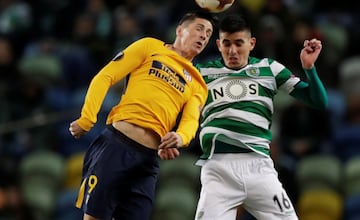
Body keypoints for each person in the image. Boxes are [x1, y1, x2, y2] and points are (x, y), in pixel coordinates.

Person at [68, 11, 217, 220]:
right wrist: (87, 118)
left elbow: (191, 121)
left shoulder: (198, 83)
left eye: (208, 33)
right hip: (117, 146)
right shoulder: (150, 47)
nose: (203, 36)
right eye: (199, 29)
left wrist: (180, 138)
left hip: (147, 162)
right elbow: (106, 76)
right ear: (180, 30)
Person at [193, 14, 328, 219]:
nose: (232, 51)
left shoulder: (269, 69)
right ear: (219, 44)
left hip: (259, 166)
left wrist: (309, 69)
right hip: (218, 169)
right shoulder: (201, 72)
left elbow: (318, 101)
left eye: (239, 43)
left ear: (252, 43)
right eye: (227, 44)